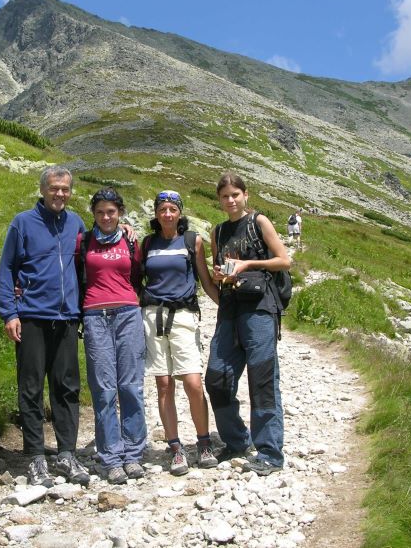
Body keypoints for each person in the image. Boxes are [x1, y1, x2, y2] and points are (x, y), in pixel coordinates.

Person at [0, 165, 91, 487]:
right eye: (54, 188)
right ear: (43, 189)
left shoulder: (76, 223)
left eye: (65, 189)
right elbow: (7, 268)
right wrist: (9, 313)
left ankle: (67, 452)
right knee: (32, 387)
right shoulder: (23, 223)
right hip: (33, 317)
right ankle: (35, 456)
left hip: (66, 319)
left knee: (67, 388)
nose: (60, 194)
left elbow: (87, 263)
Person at [205, 172, 290, 476]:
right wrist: (219, 276)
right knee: (217, 378)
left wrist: (248, 264)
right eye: (225, 196)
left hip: (260, 309)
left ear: (245, 195)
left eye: (235, 195)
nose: (230, 200)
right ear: (219, 199)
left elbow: (283, 260)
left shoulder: (259, 222)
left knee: (262, 379)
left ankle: (270, 453)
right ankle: (238, 440)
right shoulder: (217, 232)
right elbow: (221, 271)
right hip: (229, 308)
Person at [141, 190, 221, 476]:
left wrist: (226, 307)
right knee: (163, 383)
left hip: (184, 315)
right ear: (156, 213)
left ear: (179, 212)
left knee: (192, 382)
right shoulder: (147, 243)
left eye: (172, 209)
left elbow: (206, 279)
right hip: (153, 315)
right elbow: (136, 280)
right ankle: (175, 447)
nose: (167, 214)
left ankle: (203, 442)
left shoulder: (192, 241)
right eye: (162, 209)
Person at [77, 188, 146, 485]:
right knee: (103, 388)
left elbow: (140, 275)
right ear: (93, 214)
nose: (106, 217)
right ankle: (111, 456)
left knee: (131, 385)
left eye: (112, 212)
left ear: (120, 213)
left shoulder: (131, 241)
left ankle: (133, 453)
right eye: (101, 212)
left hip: (129, 314)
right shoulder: (83, 241)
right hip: (95, 317)